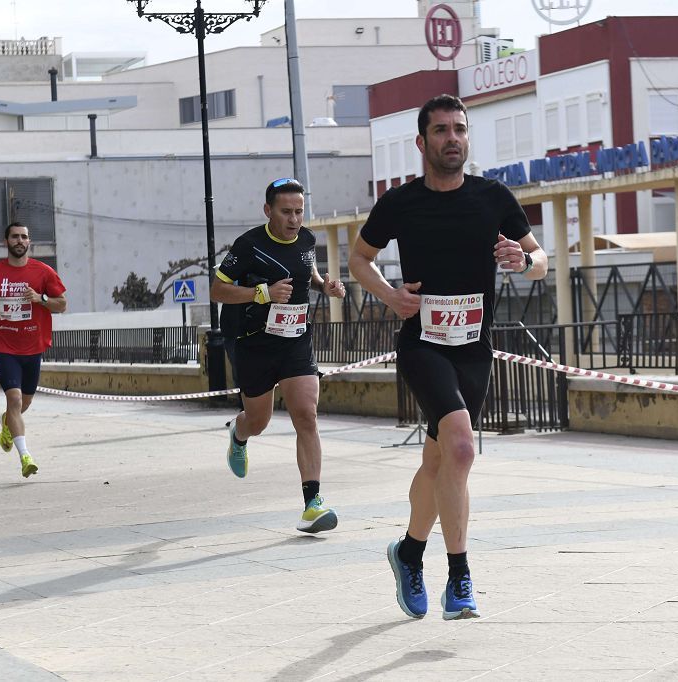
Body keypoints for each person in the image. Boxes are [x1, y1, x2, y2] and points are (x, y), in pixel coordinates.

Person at [349, 94, 548, 620]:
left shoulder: (493, 197)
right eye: (441, 130)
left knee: (440, 460)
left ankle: (408, 552)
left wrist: (523, 260)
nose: (452, 138)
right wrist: (390, 295)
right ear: (422, 142)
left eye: (459, 129)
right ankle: (460, 578)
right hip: (423, 343)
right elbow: (359, 259)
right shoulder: (400, 202)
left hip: (474, 348)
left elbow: (541, 260)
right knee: (461, 448)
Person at [211, 178, 347, 534]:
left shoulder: (307, 240)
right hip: (254, 344)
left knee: (306, 414)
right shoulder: (249, 245)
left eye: (299, 211)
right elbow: (217, 289)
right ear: (268, 210)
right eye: (286, 212)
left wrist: (325, 285)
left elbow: (307, 273)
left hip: (295, 341)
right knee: (259, 421)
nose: (294, 219)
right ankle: (239, 433)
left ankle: (312, 505)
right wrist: (263, 293)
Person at [0, 221, 68, 478]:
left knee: (24, 402)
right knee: (13, 399)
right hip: (4, 345)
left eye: (24, 237)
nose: (20, 241)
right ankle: (25, 457)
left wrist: (40, 298)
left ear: (29, 241)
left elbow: (62, 304)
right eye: (15, 237)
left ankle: (6, 422)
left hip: (33, 346)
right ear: (6, 241)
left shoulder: (44, 272)